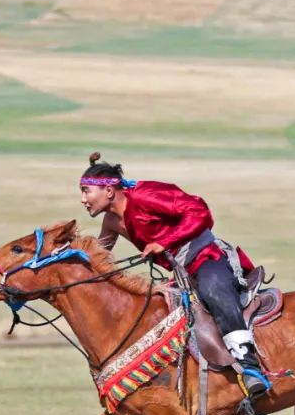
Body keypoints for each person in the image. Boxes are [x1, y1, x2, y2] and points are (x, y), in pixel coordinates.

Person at [78, 152, 269, 398]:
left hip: (208, 258)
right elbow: (97, 257)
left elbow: (200, 213)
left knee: (213, 291)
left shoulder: (147, 195)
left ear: (109, 191)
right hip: (182, 275)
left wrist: (163, 242)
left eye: (86, 191)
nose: (83, 200)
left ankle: (251, 368)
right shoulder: (112, 222)